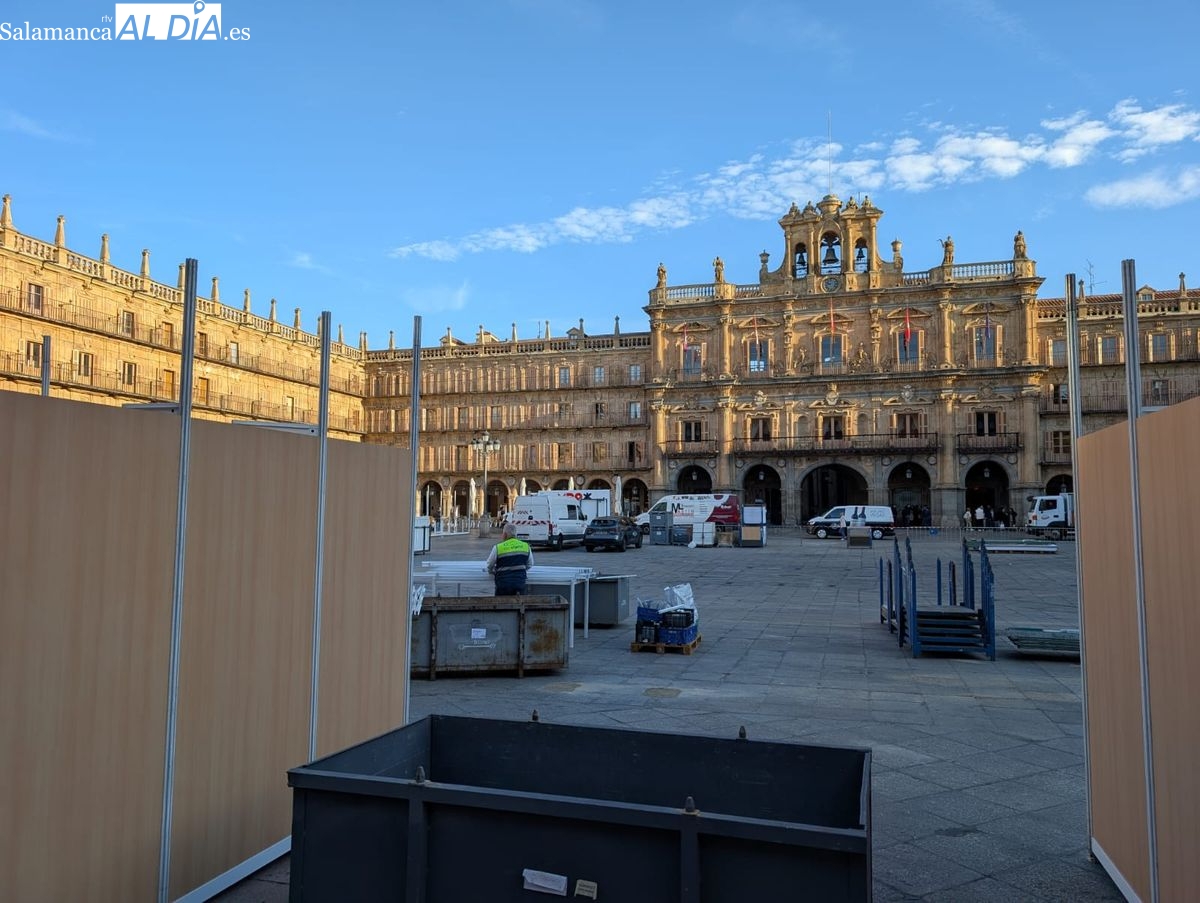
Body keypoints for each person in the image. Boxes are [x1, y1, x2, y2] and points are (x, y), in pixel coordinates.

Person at [486, 523, 534, 596]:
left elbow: (489, 565)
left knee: (502, 604)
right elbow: (530, 564)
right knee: (518, 605)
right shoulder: (526, 546)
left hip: (503, 584)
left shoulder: (498, 547)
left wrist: (491, 572)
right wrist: (520, 570)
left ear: (505, 534)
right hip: (519, 583)